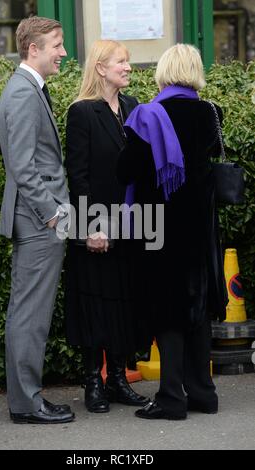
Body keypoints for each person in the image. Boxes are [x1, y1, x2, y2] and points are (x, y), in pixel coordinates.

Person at [117, 44, 228, 420]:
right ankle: (203, 393)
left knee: (167, 310)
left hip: (159, 226)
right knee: (196, 308)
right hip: (200, 227)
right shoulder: (212, 114)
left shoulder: (148, 116)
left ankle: (170, 398)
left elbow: (125, 170)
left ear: (164, 70)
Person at [64, 40, 150, 413]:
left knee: (124, 302)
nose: (128, 67)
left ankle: (117, 379)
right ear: (100, 68)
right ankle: (93, 383)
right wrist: (91, 229)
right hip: (95, 227)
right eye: (121, 61)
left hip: (129, 226)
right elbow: (77, 176)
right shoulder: (81, 112)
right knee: (94, 304)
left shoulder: (132, 107)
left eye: (128, 62)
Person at [0, 16, 74, 424]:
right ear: (34, 50)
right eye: (57, 45)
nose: (63, 53)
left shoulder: (25, 88)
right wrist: (52, 216)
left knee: (29, 314)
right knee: (30, 316)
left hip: (35, 220)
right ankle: (27, 404)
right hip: (38, 222)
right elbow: (24, 168)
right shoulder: (24, 93)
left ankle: (27, 399)